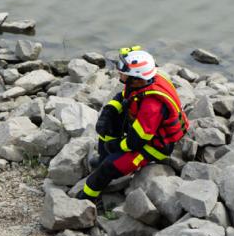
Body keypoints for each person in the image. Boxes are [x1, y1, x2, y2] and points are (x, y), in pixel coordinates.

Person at [76, 47, 188, 203]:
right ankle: (103, 156)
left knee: (109, 167)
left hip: (154, 146)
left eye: (123, 71)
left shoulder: (152, 106)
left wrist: (115, 146)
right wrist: (110, 110)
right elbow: (124, 96)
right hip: (143, 133)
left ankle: (88, 196)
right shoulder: (142, 82)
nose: (119, 73)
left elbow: (136, 142)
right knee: (108, 126)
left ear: (136, 78)